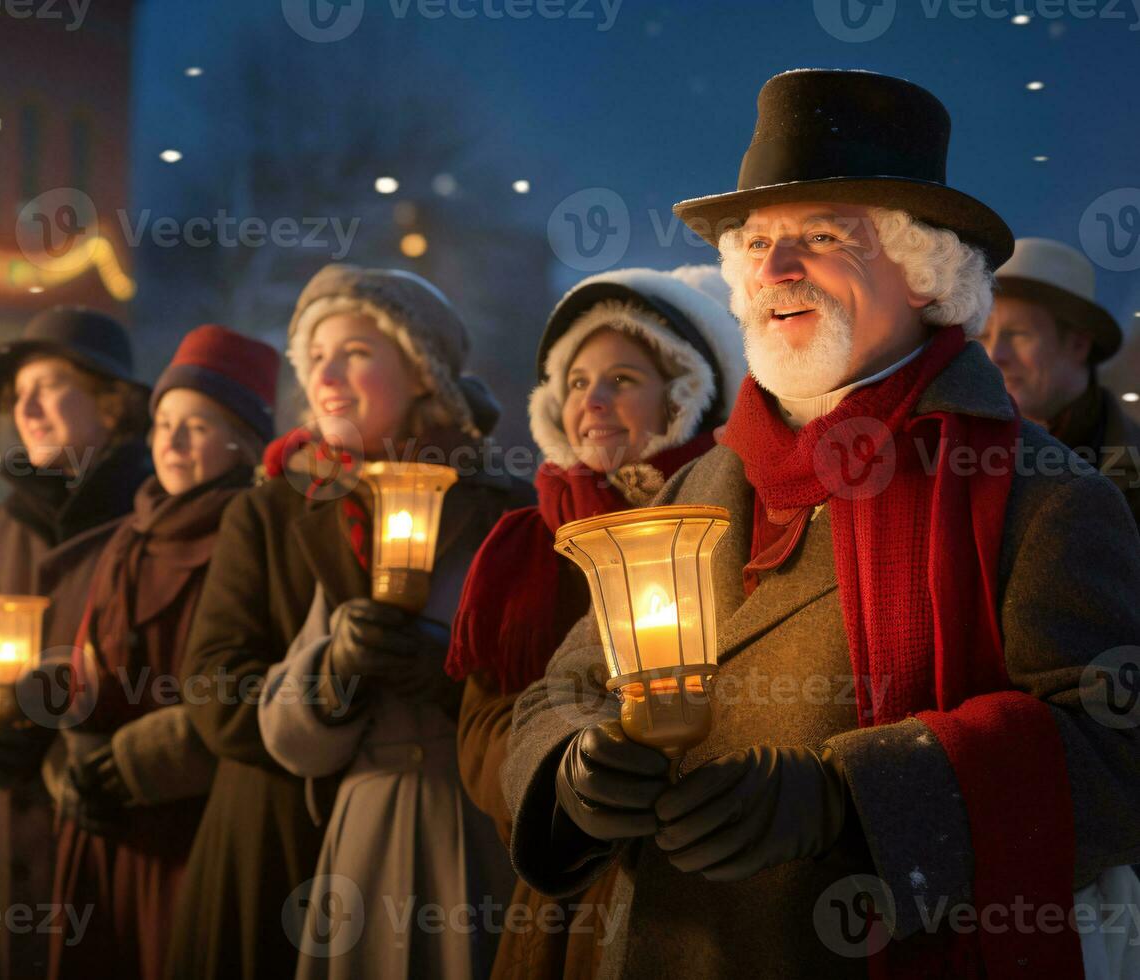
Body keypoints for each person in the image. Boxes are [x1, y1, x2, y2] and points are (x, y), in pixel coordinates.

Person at [503, 68, 1140, 978]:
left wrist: (850, 799)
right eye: (756, 241)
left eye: (821, 236)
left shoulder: (1040, 495)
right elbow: (558, 691)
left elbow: (1116, 756)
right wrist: (569, 770)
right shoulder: (699, 486)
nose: (773, 268)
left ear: (926, 276)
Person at [167, 264, 531, 979]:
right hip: (284, 842)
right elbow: (213, 688)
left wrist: (452, 684)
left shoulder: (503, 509)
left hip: (460, 837)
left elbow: (538, 679)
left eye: (356, 353)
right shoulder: (270, 509)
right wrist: (330, 682)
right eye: (315, 357)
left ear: (422, 372)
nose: (326, 374)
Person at [444, 266, 743, 979]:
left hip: (708, 868)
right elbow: (481, 728)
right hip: (569, 879)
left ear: (684, 397)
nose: (594, 400)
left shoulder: (734, 524)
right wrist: (569, 777)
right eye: (576, 382)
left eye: (623, 379)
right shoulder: (525, 544)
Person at [0, 307, 154, 980]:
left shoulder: (147, 525)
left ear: (111, 403)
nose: (28, 407)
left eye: (49, 386)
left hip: (94, 852)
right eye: (18, 397)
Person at [48, 324, 280, 980]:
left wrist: (134, 764)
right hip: (104, 818)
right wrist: (74, 764)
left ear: (243, 441)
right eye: (164, 423)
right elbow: (85, 664)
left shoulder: (252, 535)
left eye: (198, 426)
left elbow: (242, 685)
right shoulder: (127, 536)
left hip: (188, 820)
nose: (171, 442)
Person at [980, 236, 1140, 525]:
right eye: (983, 335)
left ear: (1079, 345)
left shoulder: (1131, 471)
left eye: (1018, 334)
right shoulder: (952, 455)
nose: (994, 355)